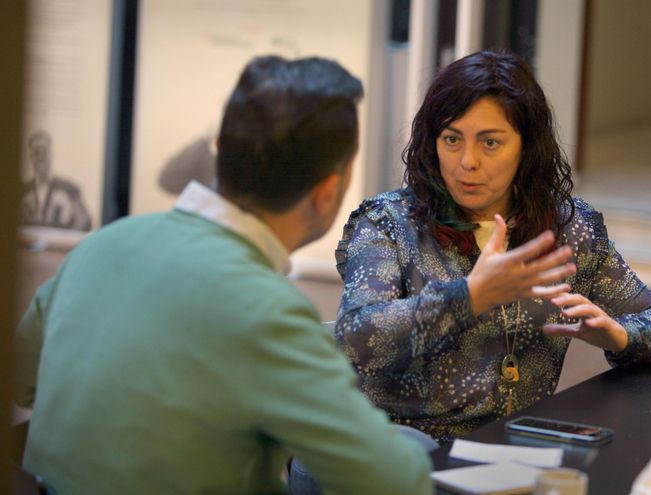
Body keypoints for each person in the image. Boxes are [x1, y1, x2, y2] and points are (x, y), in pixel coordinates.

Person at [13, 55, 432, 494]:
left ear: (219, 147)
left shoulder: (101, 246)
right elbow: (392, 481)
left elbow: (22, 382)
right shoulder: (270, 313)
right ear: (328, 192)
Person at [334, 51, 651, 444]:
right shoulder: (389, 223)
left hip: (518, 451)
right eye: (452, 139)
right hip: (403, 456)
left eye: (490, 143)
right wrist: (468, 297)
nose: (468, 161)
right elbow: (355, 340)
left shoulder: (567, 229)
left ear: (526, 147)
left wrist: (618, 335)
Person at [20, 130, 92, 231]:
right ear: (31, 156)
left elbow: (85, 222)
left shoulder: (69, 189)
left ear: (50, 154)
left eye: (43, 151)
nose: (40, 157)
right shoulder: (22, 191)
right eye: (36, 153)